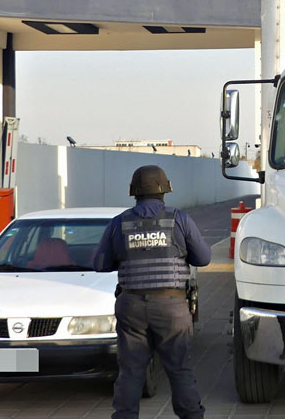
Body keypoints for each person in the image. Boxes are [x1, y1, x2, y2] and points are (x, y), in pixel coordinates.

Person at [94, 165, 211, 419]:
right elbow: (203, 258)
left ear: (133, 191)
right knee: (179, 370)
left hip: (132, 306)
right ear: (165, 189)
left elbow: (99, 264)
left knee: (130, 372)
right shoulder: (179, 219)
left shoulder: (119, 223)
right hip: (172, 307)